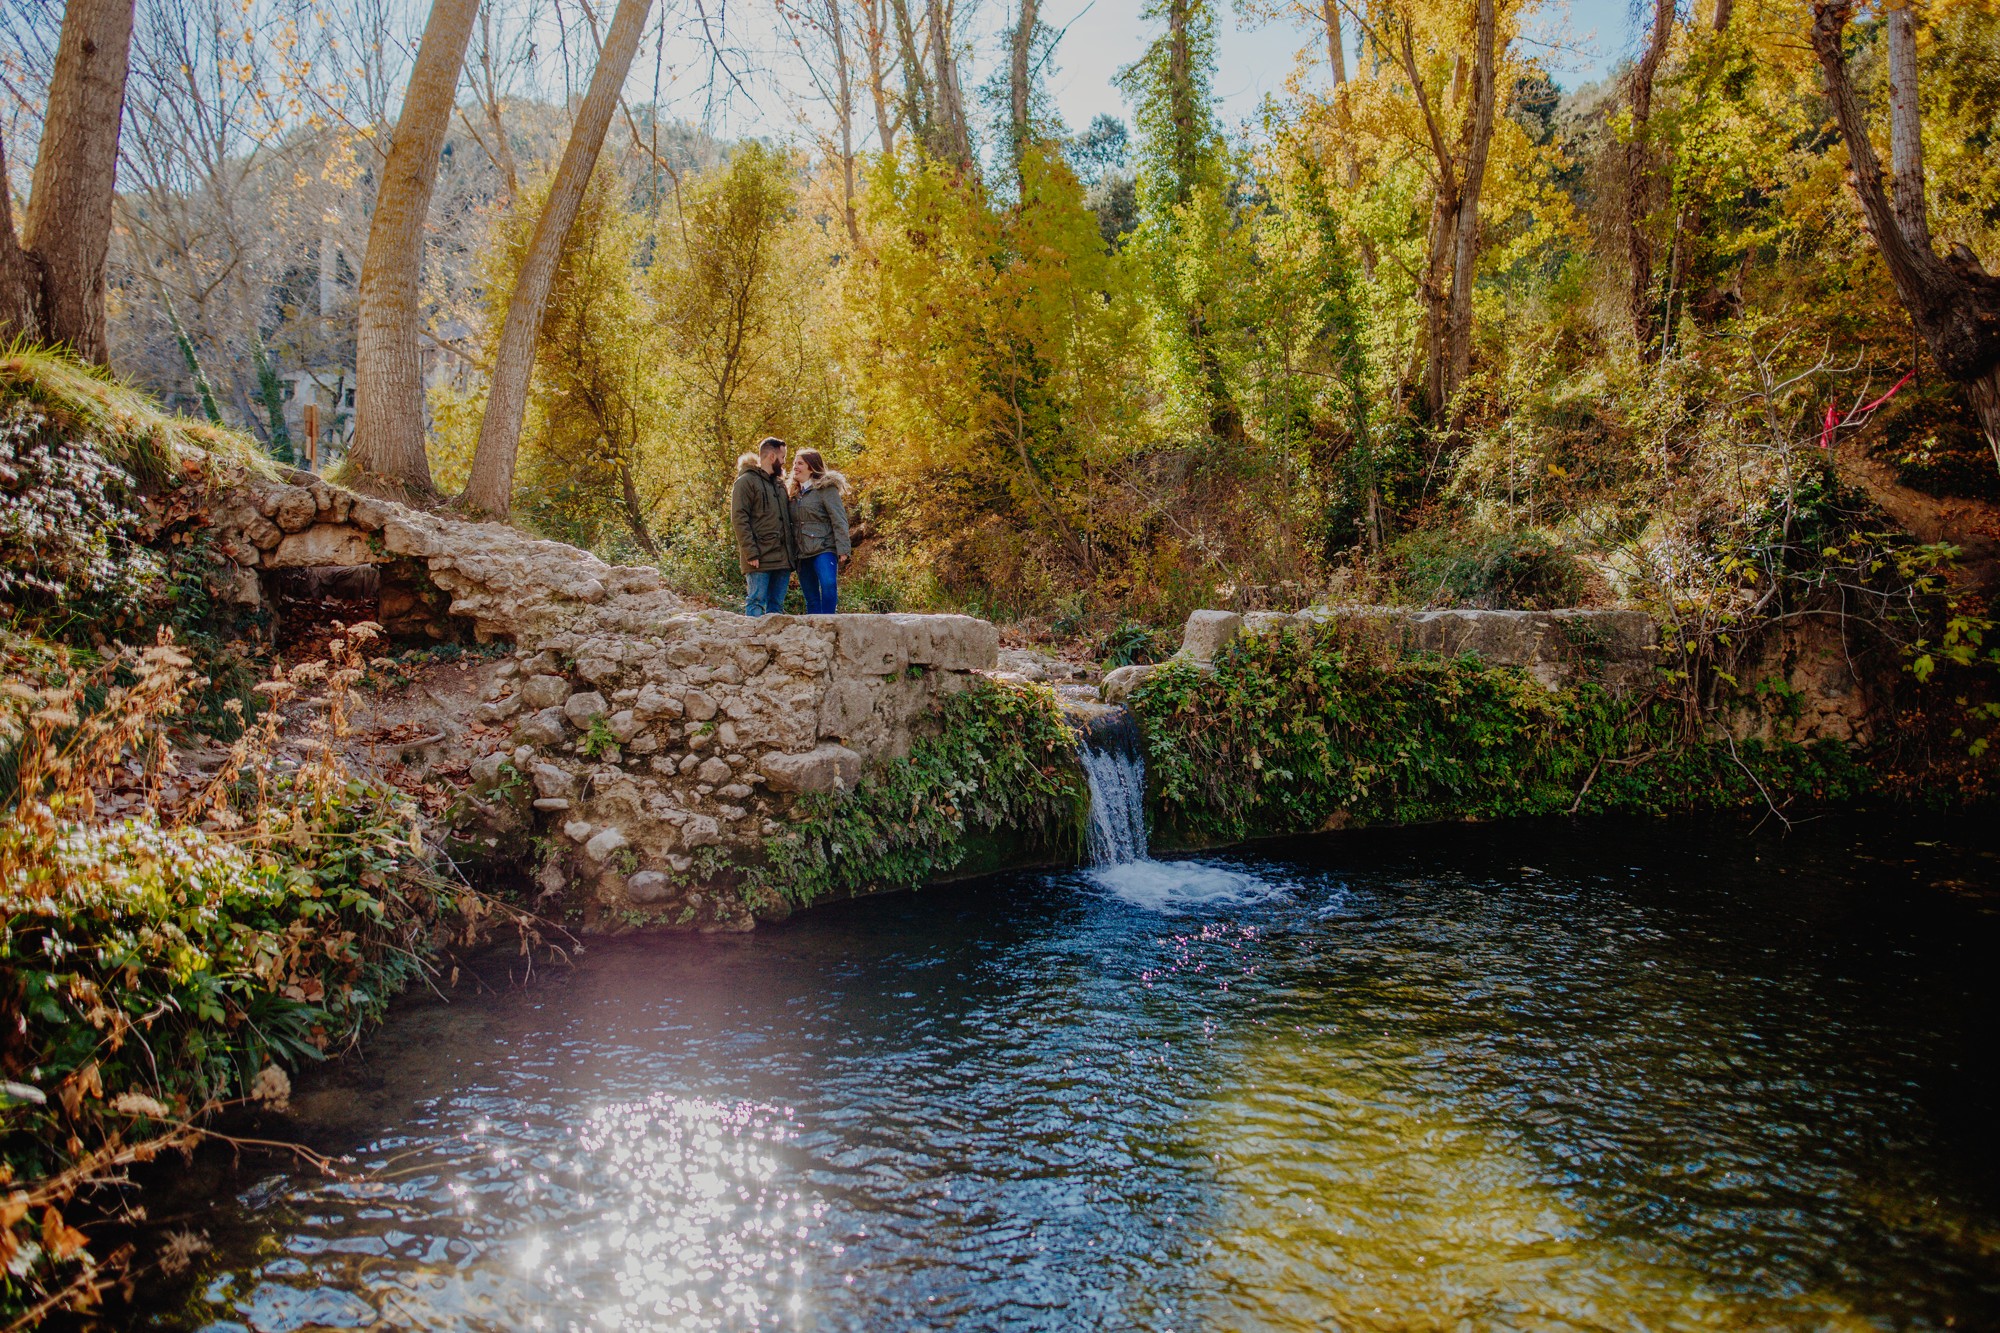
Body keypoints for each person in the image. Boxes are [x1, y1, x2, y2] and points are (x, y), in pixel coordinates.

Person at [731, 437, 796, 616]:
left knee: (777, 607)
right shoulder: (745, 482)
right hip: (759, 557)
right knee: (756, 601)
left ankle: (774, 644)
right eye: (782, 457)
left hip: (782, 558)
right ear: (772, 456)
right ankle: (753, 643)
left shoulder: (780, 484)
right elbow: (739, 518)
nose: (784, 462)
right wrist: (750, 552)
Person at [788, 449, 851, 615]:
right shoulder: (792, 493)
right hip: (802, 553)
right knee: (811, 598)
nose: (795, 466)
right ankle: (816, 633)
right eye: (794, 463)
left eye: (800, 463)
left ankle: (829, 621)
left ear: (811, 467)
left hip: (824, 548)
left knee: (829, 584)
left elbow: (839, 519)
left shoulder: (826, 489)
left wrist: (843, 547)